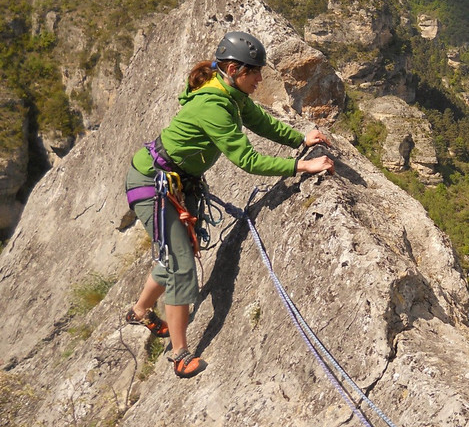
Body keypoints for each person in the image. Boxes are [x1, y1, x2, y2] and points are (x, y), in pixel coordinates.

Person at [124, 31, 334, 377]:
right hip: (153, 184)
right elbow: (247, 160)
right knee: (180, 265)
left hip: (177, 183)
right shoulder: (214, 104)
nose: (260, 78)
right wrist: (301, 165)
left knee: (177, 253)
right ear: (235, 69)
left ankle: (140, 311)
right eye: (255, 72)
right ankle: (179, 354)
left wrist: (299, 138)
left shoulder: (231, 94)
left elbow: (260, 121)